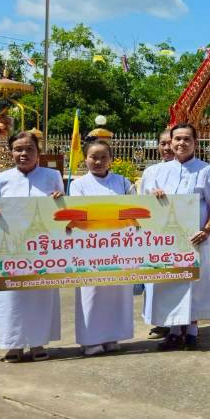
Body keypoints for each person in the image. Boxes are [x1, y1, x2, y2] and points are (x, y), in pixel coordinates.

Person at [142, 123, 210, 351]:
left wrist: (207, 229)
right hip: (166, 241)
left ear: (195, 143)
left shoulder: (204, 170)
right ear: (171, 142)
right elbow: (145, 204)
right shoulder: (158, 172)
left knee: (194, 285)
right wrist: (153, 195)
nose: (181, 143)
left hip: (195, 239)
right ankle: (174, 331)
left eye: (187, 139)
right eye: (177, 139)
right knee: (170, 284)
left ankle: (192, 332)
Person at [0, 131, 64, 362]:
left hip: (43, 248)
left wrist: (60, 200)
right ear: (11, 152)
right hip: (10, 248)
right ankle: (13, 345)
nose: (24, 153)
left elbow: (62, 211)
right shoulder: (0, 179)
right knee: (11, 299)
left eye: (29, 149)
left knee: (41, 297)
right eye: (18, 149)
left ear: (38, 152)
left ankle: (38, 343)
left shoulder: (52, 176)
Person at [69, 140, 135, 356]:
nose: (98, 161)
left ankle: (112, 336)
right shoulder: (78, 185)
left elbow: (135, 209)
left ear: (111, 159)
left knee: (116, 293)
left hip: (119, 246)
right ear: (85, 159)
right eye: (93, 157)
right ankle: (90, 340)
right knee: (92, 293)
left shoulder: (123, 183)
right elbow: (79, 213)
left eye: (103, 157)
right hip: (90, 247)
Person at [141, 128, 174, 340]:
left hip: (180, 234)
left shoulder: (190, 169)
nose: (167, 147)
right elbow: (141, 202)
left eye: (170, 143)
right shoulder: (150, 172)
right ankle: (160, 322)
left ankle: (182, 323)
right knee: (155, 281)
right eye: (163, 143)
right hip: (155, 233)